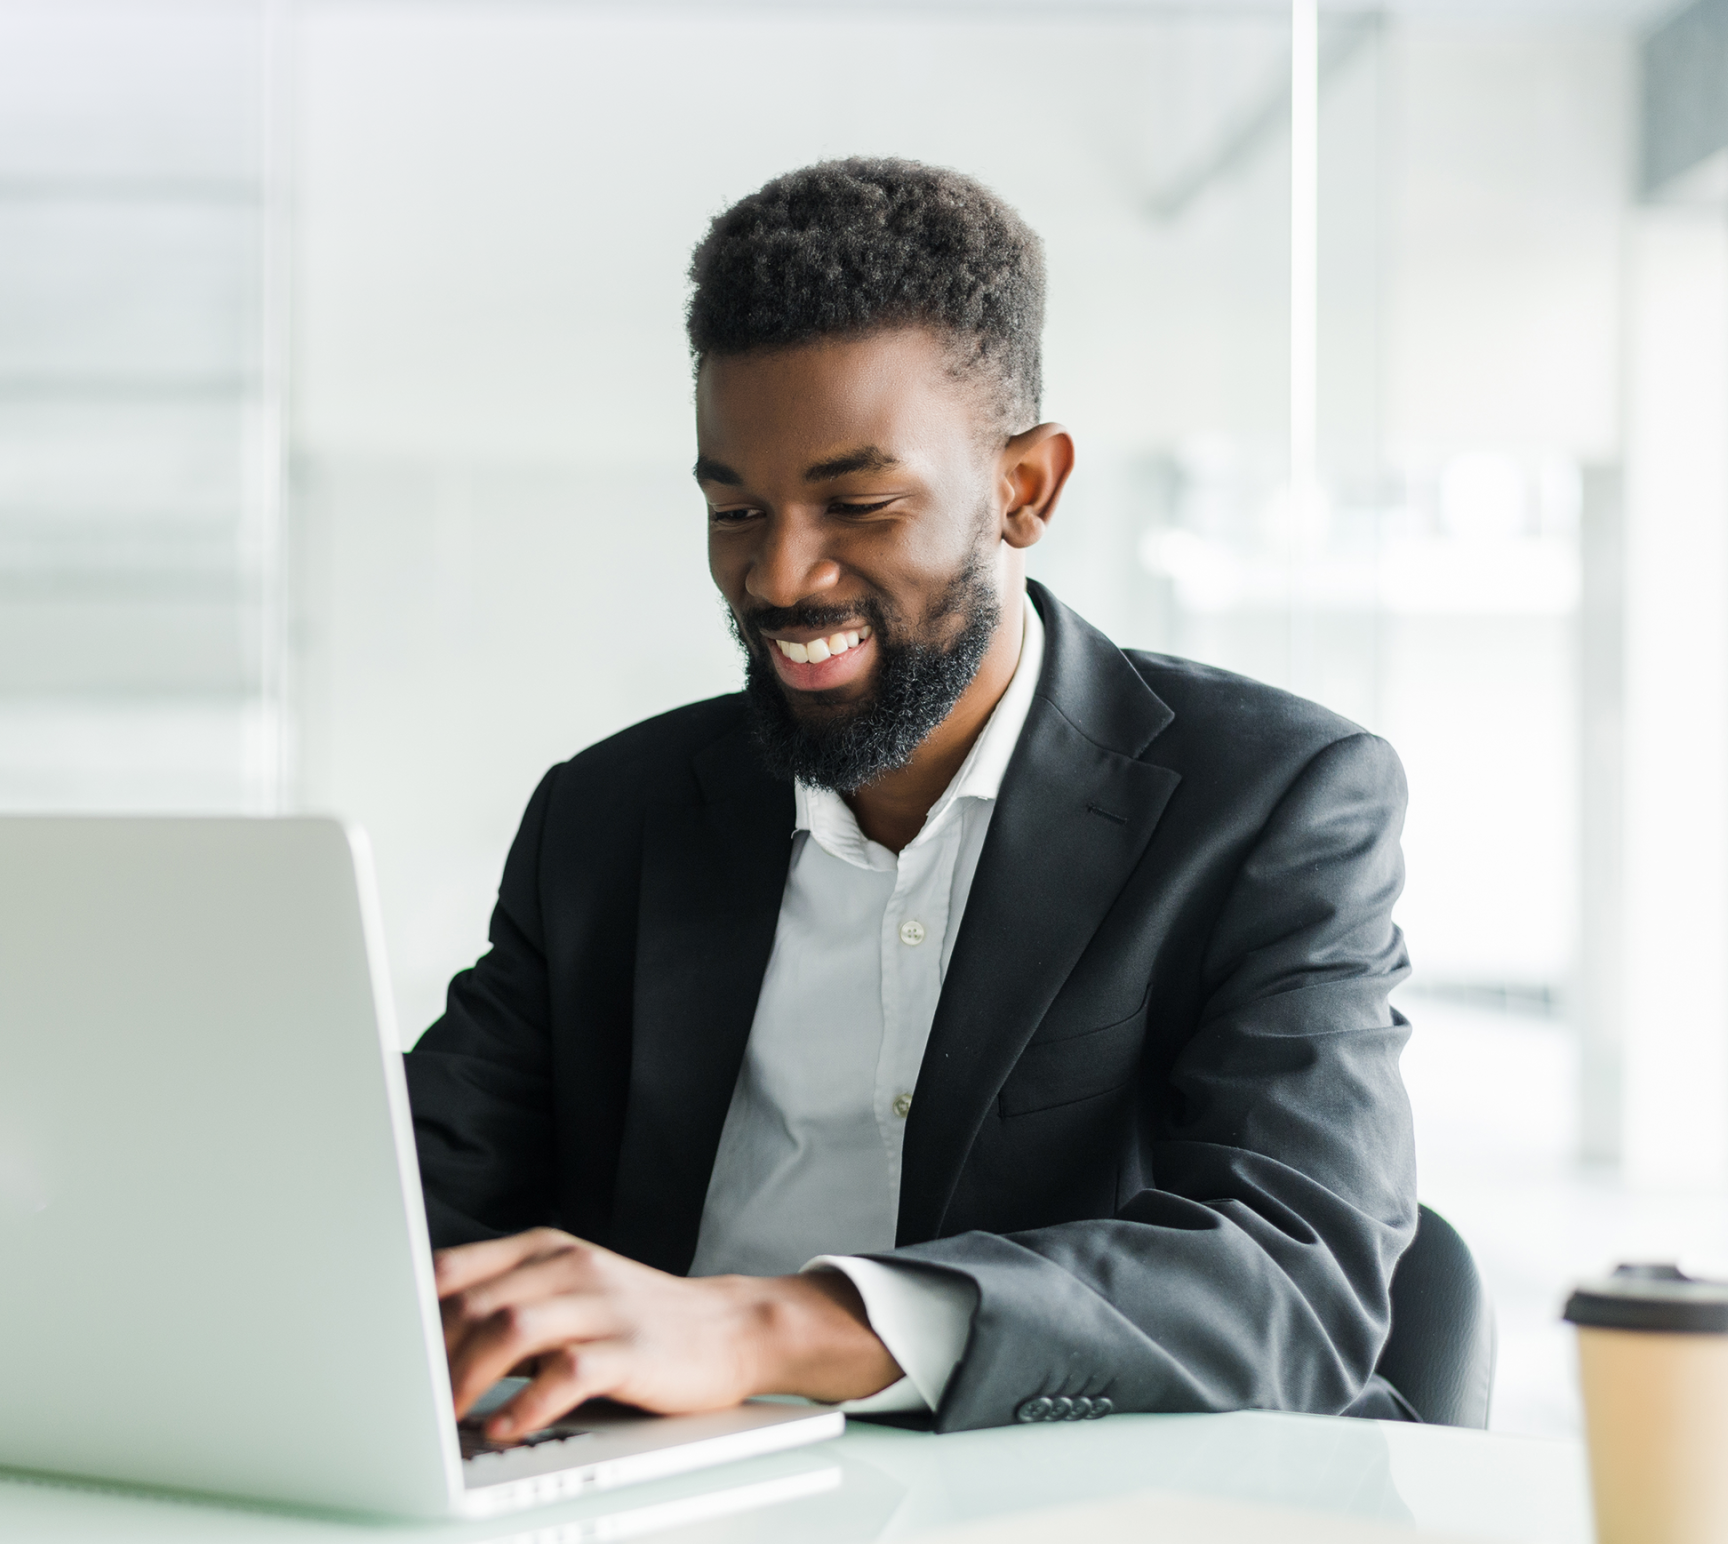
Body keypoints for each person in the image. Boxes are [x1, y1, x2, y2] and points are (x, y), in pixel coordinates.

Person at [415, 157, 1418, 1442]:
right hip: (648, 1511)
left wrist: (759, 1324)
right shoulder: (609, 814)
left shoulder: (1273, 801)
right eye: (735, 506)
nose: (778, 574)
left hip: (1063, 1531)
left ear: (1025, 488)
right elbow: (421, 1191)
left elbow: (1290, 1279)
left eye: (859, 502)